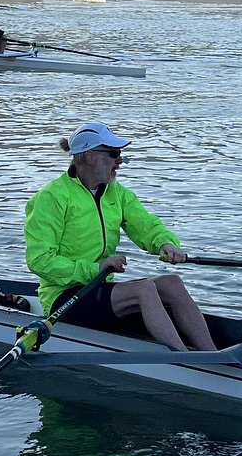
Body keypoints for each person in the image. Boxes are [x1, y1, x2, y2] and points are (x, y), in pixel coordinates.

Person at [24, 121, 214, 349]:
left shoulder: (116, 193)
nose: (120, 161)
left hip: (99, 288)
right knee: (144, 289)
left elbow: (146, 225)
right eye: (114, 154)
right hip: (64, 297)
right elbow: (39, 259)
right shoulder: (52, 197)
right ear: (90, 156)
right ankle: (186, 361)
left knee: (171, 283)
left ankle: (214, 356)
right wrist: (96, 269)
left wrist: (165, 242)